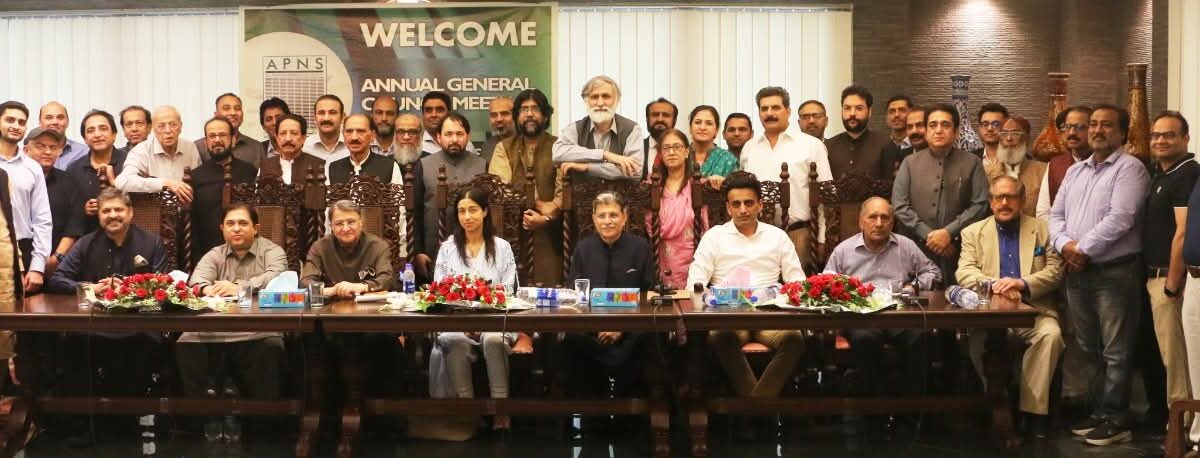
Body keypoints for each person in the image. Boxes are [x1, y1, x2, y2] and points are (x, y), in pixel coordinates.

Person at [1050, 104, 1149, 446]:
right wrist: (1065, 246)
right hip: (1077, 272)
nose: (1097, 130)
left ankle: (1117, 418)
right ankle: (1099, 412)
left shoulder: (1130, 169)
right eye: (1093, 124)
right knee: (1089, 347)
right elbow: (1055, 216)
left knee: (1116, 350)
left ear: (1122, 133)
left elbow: (1121, 218)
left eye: (1107, 125)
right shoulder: (1075, 171)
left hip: (1114, 273)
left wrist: (1082, 249)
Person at [44, 187, 166, 447]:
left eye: (118, 209)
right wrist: (90, 288)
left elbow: (162, 283)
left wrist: (131, 288)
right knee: (73, 347)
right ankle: (83, 424)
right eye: (106, 211)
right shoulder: (85, 243)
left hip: (138, 326)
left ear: (130, 212)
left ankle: (124, 424)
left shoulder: (151, 242)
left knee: (142, 349)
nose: (113, 215)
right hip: (94, 327)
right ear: (98, 215)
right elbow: (58, 279)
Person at [688, 172, 806, 439]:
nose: (743, 209)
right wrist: (712, 297)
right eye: (736, 204)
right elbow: (695, 282)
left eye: (749, 203)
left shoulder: (777, 236)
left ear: (760, 205)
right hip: (729, 313)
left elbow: (797, 282)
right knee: (721, 337)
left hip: (769, 314)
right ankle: (762, 411)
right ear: (728, 207)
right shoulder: (714, 237)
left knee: (795, 340)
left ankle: (752, 410)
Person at [958, 176, 1065, 438]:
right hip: (990, 314)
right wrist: (998, 286)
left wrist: (1021, 283)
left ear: (1023, 200)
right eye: (999, 197)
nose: (1004, 203)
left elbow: (1055, 271)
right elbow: (965, 272)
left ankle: (1032, 411)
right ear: (990, 202)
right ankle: (996, 402)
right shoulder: (973, 232)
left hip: (1034, 310)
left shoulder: (1043, 229)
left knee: (1051, 335)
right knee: (978, 343)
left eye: (1011, 197)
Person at [823, 197, 939, 437]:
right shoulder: (844, 250)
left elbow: (932, 272)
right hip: (862, 318)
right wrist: (846, 292)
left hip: (899, 315)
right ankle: (872, 414)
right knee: (866, 342)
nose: (878, 223)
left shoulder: (905, 246)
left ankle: (909, 412)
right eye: (872, 217)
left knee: (921, 338)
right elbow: (826, 282)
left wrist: (914, 286)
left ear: (892, 222)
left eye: (884, 218)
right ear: (861, 222)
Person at [179, 204, 287, 434]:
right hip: (216, 329)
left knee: (271, 345)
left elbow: (276, 277)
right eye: (230, 224)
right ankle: (196, 418)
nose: (236, 229)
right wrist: (207, 289)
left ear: (256, 228)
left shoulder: (272, 251)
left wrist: (240, 287)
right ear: (222, 228)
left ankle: (265, 422)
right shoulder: (214, 254)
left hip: (259, 329)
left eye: (243, 223)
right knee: (185, 342)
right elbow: (196, 282)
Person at [429, 188, 518, 430]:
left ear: (485, 211)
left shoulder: (502, 247)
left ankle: (501, 410)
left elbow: (508, 291)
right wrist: (465, 322)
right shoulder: (448, 248)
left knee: (494, 340)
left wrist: (483, 321)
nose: (467, 217)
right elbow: (440, 290)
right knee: (453, 339)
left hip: (496, 320)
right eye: (461, 211)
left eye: (473, 210)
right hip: (457, 322)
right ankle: (467, 409)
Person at [564, 191, 656, 422]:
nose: (607, 221)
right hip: (590, 331)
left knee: (649, 338)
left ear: (625, 217)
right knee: (571, 340)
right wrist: (598, 327)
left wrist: (620, 328)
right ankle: (592, 416)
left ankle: (632, 416)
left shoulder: (640, 248)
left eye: (613, 215)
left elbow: (648, 295)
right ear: (593, 219)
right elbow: (575, 296)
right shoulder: (583, 249)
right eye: (602, 215)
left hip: (631, 329)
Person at [1141, 111, 1196, 433]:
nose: (1161, 140)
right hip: (1152, 276)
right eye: (1156, 135)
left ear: (1185, 138)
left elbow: (1183, 232)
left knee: (1175, 358)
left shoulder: (1187, 175)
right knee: (1166, 356)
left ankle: (1182, 427)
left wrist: (1173, 284)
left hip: (1169, 279)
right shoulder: (1160, 174)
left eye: (1169, 135)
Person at [891, 102, 989, 283]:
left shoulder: (972, 163)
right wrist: (929, 235)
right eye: (932, 125)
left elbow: (980, 204)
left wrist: (949, 233)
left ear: (956, 132)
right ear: (926, 131)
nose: (938, 130)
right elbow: (899, 205)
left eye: (945, 125)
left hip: (958, 248)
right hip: (915, 247)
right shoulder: (910, 163)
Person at [739, 86, 833, 265]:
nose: (769, 113)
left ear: (788, 111)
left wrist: (822, 238)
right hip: (757, 237)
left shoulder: (811, 145)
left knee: (797, 283)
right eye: (764, 109)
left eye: (775, 107)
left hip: (799, 235)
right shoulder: (749, 148)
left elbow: (825, 197)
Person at [488, 88, 564, 287]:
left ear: (545, 115)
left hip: (551, 233)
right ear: (516, 116)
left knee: (547, 290)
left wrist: (547, 218)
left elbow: (563, 189)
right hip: (512, 232)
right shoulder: (504, 147)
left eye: (535, 109)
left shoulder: (559, 146)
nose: (529, 114)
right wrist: (540, 205)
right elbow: (501, 189)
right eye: (524, 109)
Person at [413, 112, 488, 277]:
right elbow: (415, 212)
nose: (454, 139)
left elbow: (487, 211)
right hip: (432, 250)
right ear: (438, 137)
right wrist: (418, 251)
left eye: (459, 134)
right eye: (448, 134)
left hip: (475, 252)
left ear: (468, 136)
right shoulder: (423, 165)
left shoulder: (482, 165)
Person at [189, 117, 257, 264]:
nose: (217, 140)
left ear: (233, 139)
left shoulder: (249, 171)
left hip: (245, 253)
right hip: (207, 254)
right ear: (206, 142)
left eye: (222, 135)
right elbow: (192, 223)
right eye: (212, 136)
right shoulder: (196, 176)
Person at [553, 76, 646, 181]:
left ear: (617, 100)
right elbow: (558, 154)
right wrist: (604, 155)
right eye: (594, 97)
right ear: (586, 101)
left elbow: (635, 171)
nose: (600, 103)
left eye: (606, 96)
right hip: (583, 192)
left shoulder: (632, 129)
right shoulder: (574, 128)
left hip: (621, 192)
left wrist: (587, 167)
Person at [0, 101, 51, 294]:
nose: (16, 126)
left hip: (22, 249)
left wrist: (37, 267)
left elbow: (42, 220)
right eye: (10, 120)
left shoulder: (32, 168)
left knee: (18, 309)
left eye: (21, 122)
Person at [23, 127, 84, 278]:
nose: (48, 151)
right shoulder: (13, 180)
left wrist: (57, 258)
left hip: (57, 264)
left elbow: (74, 225)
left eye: (53, 147)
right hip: (17, 261)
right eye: (40, 146)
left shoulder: (69, 181)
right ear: (25, 150)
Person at [300, 199, 393, 295]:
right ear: (331, 226)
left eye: (351, 222)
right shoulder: (320, 248)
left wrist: (362, 287)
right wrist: (332, 290)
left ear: (361, 222)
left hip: (368, 302)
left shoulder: (378, 246)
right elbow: (305, 282)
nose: (345, 229)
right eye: (339, 224)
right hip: (332, 301)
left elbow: (387, 279)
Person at [115, 105, 201, 204]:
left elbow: (199, 181)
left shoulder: (190, 147)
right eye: (161, 126)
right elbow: (122, 182)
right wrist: (165, 183)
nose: (168, 130)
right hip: (154, 211)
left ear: (181, 126)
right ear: (153, 128)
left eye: (173, 124)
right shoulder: (141, 151)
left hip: (188, 208)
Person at [654, 128, 707, 288]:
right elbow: (650, 223)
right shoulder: (652, 186)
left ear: (686, 151)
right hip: (663, 253)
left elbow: (703, 223)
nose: (671, 152)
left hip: (693, 250)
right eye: (666, 148)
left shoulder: (699, 185)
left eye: (677, 147)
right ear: (661, 154)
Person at [68, 110, 127, 235]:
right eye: (91, 130)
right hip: (88, 237)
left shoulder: (129, 163)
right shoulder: (74, 169)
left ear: (114, 135)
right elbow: (69, 211)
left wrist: (115, 184)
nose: (97, 134)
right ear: (85, 139)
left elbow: (142, 205)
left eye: (103, 128)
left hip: (126, 235)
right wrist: (84, 209)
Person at [1037, 105, 1094, 220]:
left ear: (1093, 129)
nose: (1072, 132)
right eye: (1068, 127)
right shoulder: (1055, 164)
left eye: (1080, 127)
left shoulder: (1104, 164)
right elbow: (1043, 212)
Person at [984, 115, 1045, 217]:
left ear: (1026, 138)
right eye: (1004, 134)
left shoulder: (1043, 171)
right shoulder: (987, 172)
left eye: (1015, 133)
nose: (1009, 139)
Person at [824, 85, 890, 179]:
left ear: (869, 112)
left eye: (859, 108)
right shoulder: (828, 147)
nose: (852, 113)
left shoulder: (885, 144)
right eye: (847, 108)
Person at [327, 114, 404, 186]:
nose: (354, 137)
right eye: (349, 131)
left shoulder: (389, 166)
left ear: (372, 135)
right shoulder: (333, 168)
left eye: (361, 131)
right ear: (343, 135)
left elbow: (398, 195)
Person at [194, 93, 266, 168]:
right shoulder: (198, 147)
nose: (233, 113)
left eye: (237, 108)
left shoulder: (256, 147)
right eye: (226, 108)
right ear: (216, 114)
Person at [259, 114, 326, 185]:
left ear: (303, 138)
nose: (288, 139)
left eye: (294, 133)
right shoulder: (265, 166)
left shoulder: (319, 165)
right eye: (283, 133)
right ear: (277, 138)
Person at [689, 105, 739, 187]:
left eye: (709, 123)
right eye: (698, 122)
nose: (702, 127)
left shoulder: (728, 160)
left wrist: (724, 182)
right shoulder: (679, 155)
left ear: (716, 130)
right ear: (690, 128)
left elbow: (737, 191)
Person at [36, 101, 89, 169]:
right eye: (49, 118)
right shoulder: (30, 153)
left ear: (67, 122)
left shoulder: (84, 152)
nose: (55, 122)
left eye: (60, 117)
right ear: (40, 122)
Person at [880, 105, 927, 178]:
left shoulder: (942, 156)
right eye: (910, 127)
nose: (914, 131)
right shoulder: (900, 157)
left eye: (920, 125)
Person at [302, 94, 349, 162]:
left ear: (342, 117)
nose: (326, 118)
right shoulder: (304, 147)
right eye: (321, 113)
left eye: (332, 113)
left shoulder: (352, 145)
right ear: (314, 118)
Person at [644, 98, 678, 180]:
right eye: (655, 115)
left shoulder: (683, 150)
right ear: (647, 119)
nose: (660, 119)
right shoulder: (636, 148)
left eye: (666, 115)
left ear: (674, 120)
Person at [480, 96, 514, 165]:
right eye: (494, 115)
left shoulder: (527, 142)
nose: (499, 119)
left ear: (516, 115)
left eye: (504, 114)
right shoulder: (487, 146)